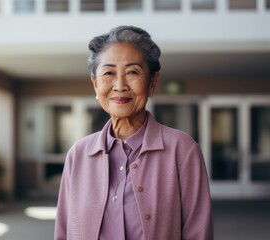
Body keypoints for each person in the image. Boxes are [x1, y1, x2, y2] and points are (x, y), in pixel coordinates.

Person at [54, 25, 213, 240]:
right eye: (108, 73)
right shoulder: (78, 154)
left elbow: (198, 234)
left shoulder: (182, 149)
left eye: (132, 72)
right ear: (95, 83)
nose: (120, 86)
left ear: (152, 82)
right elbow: (64, 232)